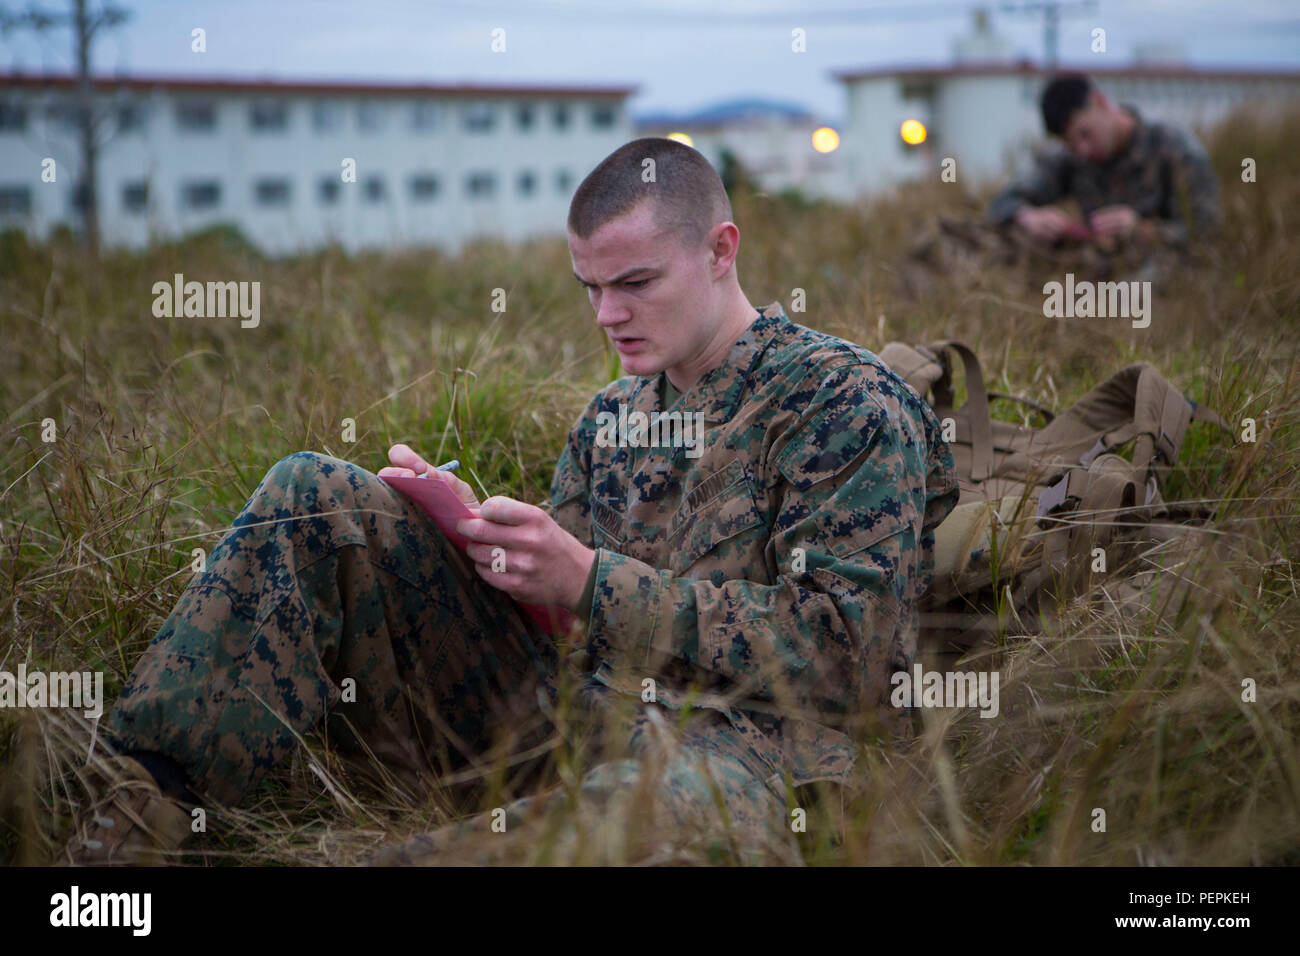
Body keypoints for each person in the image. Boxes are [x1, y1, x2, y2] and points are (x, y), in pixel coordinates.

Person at [63, 137, 958, 866]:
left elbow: (848, 655)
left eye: (636, 283)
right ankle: (129, 828)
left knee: (674, 812)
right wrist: (478, 543)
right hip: (576, 721)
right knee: (321, 497)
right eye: (591, 289)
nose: (608, 314)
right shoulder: (613, 413)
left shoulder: (842, 404)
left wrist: (591, 580)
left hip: (754, 759)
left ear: (721, 251)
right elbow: (567, 621)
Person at [989, 73, 1221, 249]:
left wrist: (1142, 230)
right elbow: (1002, 202)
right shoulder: (1068, 158)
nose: (1083, 150)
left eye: (1085, 134)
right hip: (1092, 271)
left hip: (1158, 279)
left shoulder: (1176, 149)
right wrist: (1027, 216)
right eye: (1071, 144)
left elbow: (1207, 234)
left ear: (1100, 103)